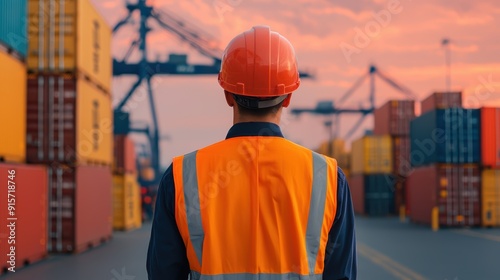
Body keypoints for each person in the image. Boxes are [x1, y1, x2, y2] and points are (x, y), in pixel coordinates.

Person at [147, 25, 357, 280]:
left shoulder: (182, 176)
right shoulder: (329, 178)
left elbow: (163, 274)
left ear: (227, 95)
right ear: (288, 97)